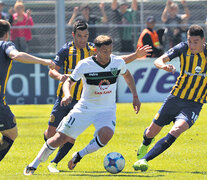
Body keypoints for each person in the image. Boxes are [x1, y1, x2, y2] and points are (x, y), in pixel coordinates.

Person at [23, 20, 152, 174]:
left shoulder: (117, 62)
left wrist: (135, 97)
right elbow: (68, 82)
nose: (108, 54)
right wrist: (68, 94)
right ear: (96, 50)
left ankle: (78, 155)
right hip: (84, 108)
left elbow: (127, 75)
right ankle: (34, 164)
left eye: (110, 50)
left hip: (107, 110)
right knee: (59, 138)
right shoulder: (85, 64)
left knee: (106, 135)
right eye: (104, 51)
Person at [133, 24, 207, 171]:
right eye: (189, 41)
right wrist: (164, 66)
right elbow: (158, 60)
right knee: (150, 132)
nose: (191, 45)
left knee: (176, 130)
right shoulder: (182, 48)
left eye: (195, 42)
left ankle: (144, 160)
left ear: (203, 40)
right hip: (174, 98)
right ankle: (146, 142)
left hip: (194, 104)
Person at [0, 19, 55, 162]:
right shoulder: (5, 45)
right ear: (7, 34)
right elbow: (16, 55)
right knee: (11, 133)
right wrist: (43, 61)